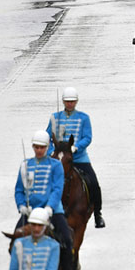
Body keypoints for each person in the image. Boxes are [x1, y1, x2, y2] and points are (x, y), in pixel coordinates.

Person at [15, 130, 75, 270]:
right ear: (33, 147)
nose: (39, 150)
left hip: (52, 211)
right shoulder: (25, 165)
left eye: (42, 147)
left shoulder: (55, 165)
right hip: (30, 211)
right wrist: (21, 205)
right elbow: (19, 189)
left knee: (66, 240)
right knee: (15, 238)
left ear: (48, 147)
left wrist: (50, 207)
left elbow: (57, 188)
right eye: (36, 147)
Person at [46, 86, 105, 228]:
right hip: (59, 159)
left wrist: (76, 147)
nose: (70, 104)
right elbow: (47, 137)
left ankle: (98, 214)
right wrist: (51, 153)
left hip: (78, 158)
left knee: (94, 184)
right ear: (63, 102)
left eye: (72, 101)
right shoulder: (54, 118)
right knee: (44, 183)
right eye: (67, 101)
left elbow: (87, 137)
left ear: (76, 101)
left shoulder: (84, 118)